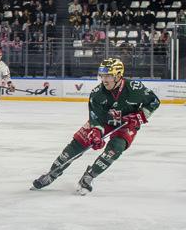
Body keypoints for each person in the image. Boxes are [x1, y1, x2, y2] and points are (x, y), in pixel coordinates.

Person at [31, 58, 160, 195]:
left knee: (116, 148)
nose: (104, 79)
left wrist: (140, 116)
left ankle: (90, 176)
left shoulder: (135, 88)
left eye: (108, 75)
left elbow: (154, 102)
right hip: (104, 121)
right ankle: (53, 173)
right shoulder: (97, 93)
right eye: (102, 75)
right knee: (77, 144)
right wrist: (96, 133)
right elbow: (95, 117)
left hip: (126, 123)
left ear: (118, 75)